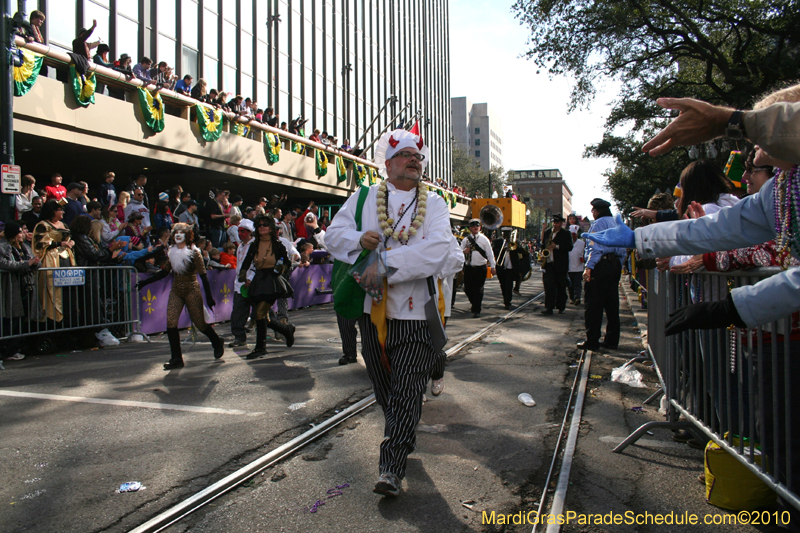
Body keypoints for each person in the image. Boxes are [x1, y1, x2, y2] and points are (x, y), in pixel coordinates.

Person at [326, 128, 456, 497]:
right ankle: (402, 429)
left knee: (408, 390)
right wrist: (358, 239)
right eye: (406, 155)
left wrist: (382, 263)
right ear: (388, 164)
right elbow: (331, 237)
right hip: (373, 313)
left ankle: (391, 465)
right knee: (386, 391)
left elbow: (437, 251)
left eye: (418, 156)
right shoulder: (365, 196)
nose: (415, 160)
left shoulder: (436, 204)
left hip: (417, 316)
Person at [136, 223, 225, 369]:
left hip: (191, 289)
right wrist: (145, 282)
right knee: (171, 322)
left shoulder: (194, 252)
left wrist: (209, 297)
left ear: (187, 235)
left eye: (180, 232)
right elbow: (165, 272)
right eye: (175, 232)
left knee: (200, 323)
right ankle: (176, 358)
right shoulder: (172, 252)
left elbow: (203, 275)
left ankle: (216, 341)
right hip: (176, 290)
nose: (177, 235)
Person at [238, 216, 296, 359]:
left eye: (265, 224)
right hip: (258, 279)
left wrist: (282, 267)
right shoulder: (254, 244)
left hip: (272, 280)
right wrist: (243, 274)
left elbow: (288, 262)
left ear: (271, 227)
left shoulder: (278, 245)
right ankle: (286, 329)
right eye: (259, 225)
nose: (262, 227)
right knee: (264, 317)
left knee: (259, 313)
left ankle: (260, 347)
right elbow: (246, 262)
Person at [577, 199, 627, 350]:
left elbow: (595, 247)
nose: (592, 213)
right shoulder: (617, 223)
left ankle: (592, 340)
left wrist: (589, 267)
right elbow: (623, 247)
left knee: (593, 304)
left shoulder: (598, 224)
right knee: (612, 303)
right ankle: (612, 340)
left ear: (596, 211)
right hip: (615, 264)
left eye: (593, 210)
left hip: (601, 266)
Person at [0, 222, 40, 361]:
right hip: (11, 287)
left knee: (23, 318)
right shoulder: (3, 246)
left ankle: (19, 346)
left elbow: (33, 259)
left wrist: (35, 262)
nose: (23, 234)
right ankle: (9, 350)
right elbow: (4, 263)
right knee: (12, 319)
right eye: (20, 232)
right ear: (13, 235)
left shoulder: (24, 246)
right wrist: (25, 264)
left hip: (26, 285)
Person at [32, 201, 75, 322]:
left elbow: (68, 238)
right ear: (53, 211)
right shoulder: (42, 225)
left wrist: (71, 242)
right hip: (51, 260)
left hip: (66, 258)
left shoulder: (64, 224)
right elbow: (39, 243)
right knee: (52, 288)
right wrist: (59, 243)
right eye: (60, 210)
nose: (63, 212)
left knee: (67, 293)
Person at [460, 219, 496, 318]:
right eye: (473, 226)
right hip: (469, 267)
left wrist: (493, 266)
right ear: (470, 228)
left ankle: (477, 310)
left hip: (480, 268)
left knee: (478, 289)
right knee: (467, 288)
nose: (476, 227)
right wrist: (464, 251)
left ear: (480, 228)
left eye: (477, 226)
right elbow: (458, 251)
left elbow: (490, 253)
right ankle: (474, 303)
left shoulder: (484, 239)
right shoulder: (466, 239)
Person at [229, 219, 255, 348]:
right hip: (240, 284)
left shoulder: (254, 245)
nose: (240, 234)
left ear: (250, 232)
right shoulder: (240, 246)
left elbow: (256, 264)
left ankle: (281, 328)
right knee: (238, 312)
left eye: (243, 231)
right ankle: (239, 337)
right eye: (239, 231)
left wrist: (250, 278)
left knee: (262, 313)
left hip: (253, 284)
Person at [540, 214, 573, 314]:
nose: (555, 224)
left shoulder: (566, 233)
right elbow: (543, 245)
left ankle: (561, 305)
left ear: (561, 223)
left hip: (560, 264)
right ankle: (549, 307)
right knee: (549, 286)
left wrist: (557, 246)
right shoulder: (548, 232)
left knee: (561, 286)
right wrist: (542, 253)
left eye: (557, 222)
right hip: (549, 263)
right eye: (554, 222)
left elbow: (569, 247)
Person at [567, 225, 585, 305]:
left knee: (577, 283)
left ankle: (577, 297)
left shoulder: (582, 243)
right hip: (569, 267)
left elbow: (585, 253)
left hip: (578, 267)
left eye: (574, 234)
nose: (573, 236)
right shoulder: (566, 242)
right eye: (571, 235)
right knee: (570, 284)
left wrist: (583, 257)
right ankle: (572, 298)